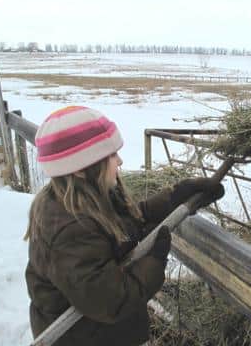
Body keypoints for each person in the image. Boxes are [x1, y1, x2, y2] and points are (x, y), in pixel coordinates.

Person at [24, 105, 224, 346]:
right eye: (111, 155)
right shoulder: (70, 229)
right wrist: (153, 260)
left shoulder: (88, 196)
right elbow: (111, 301)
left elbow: (123, 223)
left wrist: (175, 197)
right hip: (84, 338)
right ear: (80, 168)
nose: (119, 161)